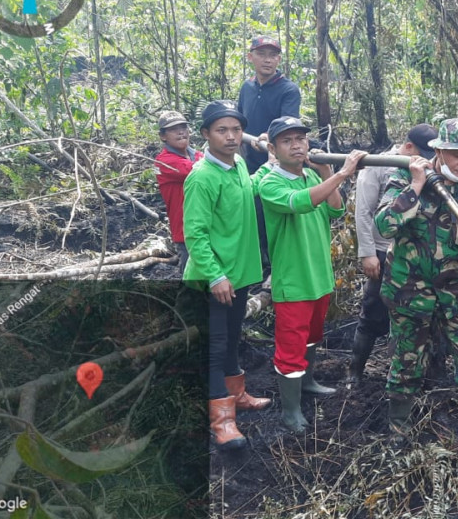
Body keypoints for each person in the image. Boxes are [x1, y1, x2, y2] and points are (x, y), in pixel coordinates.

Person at [375, 118, 458, 442]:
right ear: (439, 151)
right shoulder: (405, 175)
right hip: (408, 286)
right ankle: (398, 428)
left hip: (453, 285)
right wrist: (416, 187)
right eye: (456, 155)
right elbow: (384, 224)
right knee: (408, 361)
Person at [251, 116, 367, 433]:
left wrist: (328, 172)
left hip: (319, 277)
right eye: (287, 141)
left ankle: (309, 382)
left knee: (312, 337)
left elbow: (335, 210)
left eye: (301, 139)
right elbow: (301, 204)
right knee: (290, 350)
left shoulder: (309, 178)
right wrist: (343, 173)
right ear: (273, 148)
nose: (297, 145)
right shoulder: (269, 183)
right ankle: (290, 411)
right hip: (293, 282)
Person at [183, 100, 269, 451]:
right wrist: (216, 276)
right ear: (206, 134)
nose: (231, 136)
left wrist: (273, 165)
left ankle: (238, 396)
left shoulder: (238, 166)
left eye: (236, 129)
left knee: (233, 338)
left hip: (240, 274)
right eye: (222, 130)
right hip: (211, 280)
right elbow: (195, 234)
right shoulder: (202, 177)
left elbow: (250, 189)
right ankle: (222, 422)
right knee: (215, 348)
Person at [348, 123, 437, 383]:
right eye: (421, 155)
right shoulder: (378, 165)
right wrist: (367, 253)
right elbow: (363, 212)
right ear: (409, 147)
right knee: (373, 310)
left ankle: (413, 373)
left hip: (417, 254)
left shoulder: (427, 168)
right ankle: (354, 371)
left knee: (417, 315)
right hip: (382, 250)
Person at [237, 35, 302, 271]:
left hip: (277, 164)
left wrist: (268, 136)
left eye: (273, 55)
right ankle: (257, 261)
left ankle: (276, 265)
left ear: (279, 59)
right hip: (248, 162)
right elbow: (239, 120)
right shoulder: (247, 87)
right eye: (262, 54)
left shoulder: (288, 89)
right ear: (250, 57)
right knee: (250, 210)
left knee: (272, 212)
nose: (268, 60)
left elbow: (289, 124)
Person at [153, 110, 203, 272]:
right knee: (193, 282)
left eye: (183, 127)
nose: (181, 132)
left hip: (209, 227)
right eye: (174, 129)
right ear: (163, 136)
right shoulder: (164, 161)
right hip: (187, 232)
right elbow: (201, 171)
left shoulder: (198, 155)